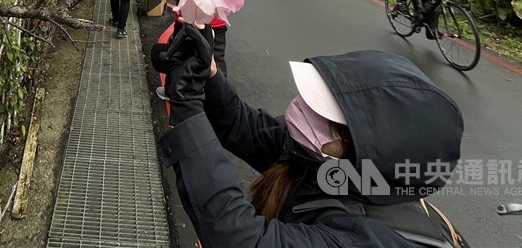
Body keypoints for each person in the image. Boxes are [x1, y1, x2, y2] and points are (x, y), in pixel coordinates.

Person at [153, 28, 467, 247]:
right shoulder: (330, 164)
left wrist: (186, 111)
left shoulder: (373, 236)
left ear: (367, 150)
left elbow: (237, 238)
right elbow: (242, 127)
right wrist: (208, 76)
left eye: (325, 116)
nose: (301, 111)